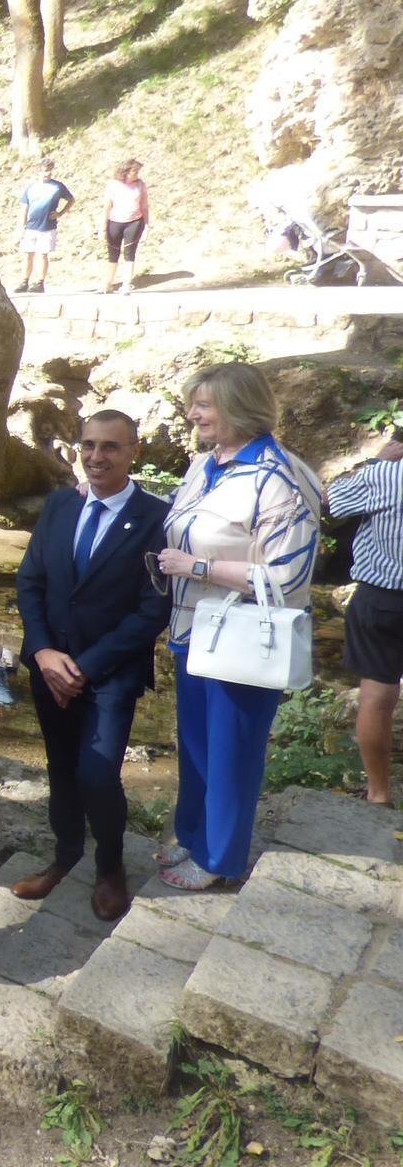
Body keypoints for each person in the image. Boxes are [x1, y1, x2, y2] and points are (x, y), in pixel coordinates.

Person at [152, 362, 322, 890]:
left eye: (204, 405)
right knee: (198, 748)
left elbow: (288, 578)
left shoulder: (280, 478)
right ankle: (193, 835)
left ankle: (219, 859)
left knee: (231, 755)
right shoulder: (206, 464)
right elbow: (183, 522)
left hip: (243, 640)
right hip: (191, 633)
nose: (192, 414)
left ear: (238, 407)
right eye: (193, 403)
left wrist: (199, 568)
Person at [12, 410, 172, 919]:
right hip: (49, 666)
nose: (96, 456)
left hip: (111, 673)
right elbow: (30, 581)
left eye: (110, 447)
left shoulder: (158, 518)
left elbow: (153, 609)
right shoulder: (60, 504)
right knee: (61, 769)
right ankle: (64, 858)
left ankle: (110, 867)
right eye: (88, 445)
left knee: (98, 773)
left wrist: (83, 667)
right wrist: (42, 651)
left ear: (134, 452)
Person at [327, 441, 403, 806]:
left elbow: (332, 502)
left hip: (383, 599)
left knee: (376, 699)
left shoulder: (385, 475)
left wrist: (375, 461)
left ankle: (379, 793)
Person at [16, 158, 76, 293]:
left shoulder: (58, 186)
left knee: (43, 254)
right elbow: (24, 207)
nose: (47, 173)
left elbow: (71, 200)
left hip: (48, 226)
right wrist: (21, 226)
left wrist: (60, 213)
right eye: (44, 171)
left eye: (49, 170)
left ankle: (40, 283)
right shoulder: (31, 187)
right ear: (39, 171)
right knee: (28, 254)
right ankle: (24, 282)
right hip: (31, 226)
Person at [102, 159, 151, 296]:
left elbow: (144, 206)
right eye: (134, 172)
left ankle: (126, 284)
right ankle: (108, 283)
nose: (137, 174)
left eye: (137, 172)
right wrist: (103, 226)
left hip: (134, 222)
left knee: (129, 253)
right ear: (125, 172)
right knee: (113, 253)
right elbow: (107, 206)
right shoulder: (113, 184)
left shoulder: (140, 185)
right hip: (115, 222)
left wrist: (147, 226)